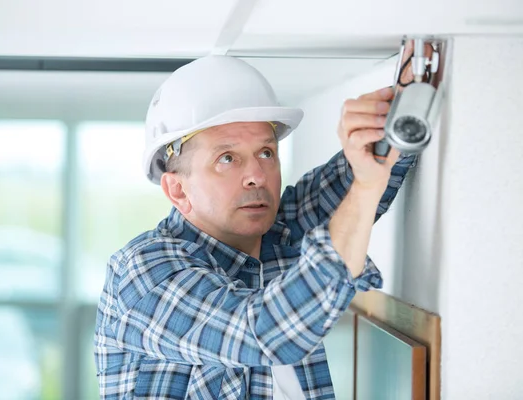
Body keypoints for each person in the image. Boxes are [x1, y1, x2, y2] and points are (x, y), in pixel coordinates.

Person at [94, 54, 416, 399]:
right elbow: (264, 333)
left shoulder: (280, 230)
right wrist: (365, 187)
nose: (257, 176)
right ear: (178, 190)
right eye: (227, 158)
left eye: (266, 152)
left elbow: (364, 172)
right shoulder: (143, 274)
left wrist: (404, 102)